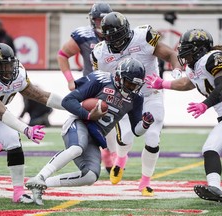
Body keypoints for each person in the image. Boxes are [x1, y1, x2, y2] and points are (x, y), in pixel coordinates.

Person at [25, 58, 154, 205]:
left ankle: (43, 184)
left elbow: (136, 131)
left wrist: (145, 124)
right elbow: (68, 101)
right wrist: (87, 115)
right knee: (76, 148)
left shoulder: (136, 98)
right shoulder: (101, 79)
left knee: (90, 176)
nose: (131, 88)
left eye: (135, 85)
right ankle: (40, 176)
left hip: (95, 134)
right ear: (118, 76)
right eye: (129, 83)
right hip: (79, 122)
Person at [145, 29, 222, 202]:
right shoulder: (195, 67)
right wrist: (163, 83)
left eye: (187, 49)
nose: (183, 53)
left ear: (199, 48)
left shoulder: (215, 57)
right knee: (210, 149)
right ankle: (214, 188)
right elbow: (188, 83)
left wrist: (205, 104)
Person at [91, 11, 183, 196]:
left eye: (119, 37)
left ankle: (145, 182)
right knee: (125, 138)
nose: (117, 43)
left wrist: (177, 71)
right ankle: (121, 159)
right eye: (112, 39)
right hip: (124, 98)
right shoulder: (100, 53)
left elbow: (171, 54)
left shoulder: (143, 37)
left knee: (153, 137)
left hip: (150, 94)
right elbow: (99, 80)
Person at [0, 43, 65, 203]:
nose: (9, 69)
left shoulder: (18, 73)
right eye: (4, 65)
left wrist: (73, 106)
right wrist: (26, 129)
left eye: (10, 64)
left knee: (13, 139)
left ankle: (18, 192)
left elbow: (40, 95)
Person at [57, 3, 115, 173]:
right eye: (97, 20)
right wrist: (70, 80)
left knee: (113, 123)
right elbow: (62, 55)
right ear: (92, 20)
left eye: (103, 20)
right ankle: (100, 153)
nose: (100, 24)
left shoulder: (120, 34)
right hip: (92, 85)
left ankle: (110, 152)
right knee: (89, 120)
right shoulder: (84, 35)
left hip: (113, 85)